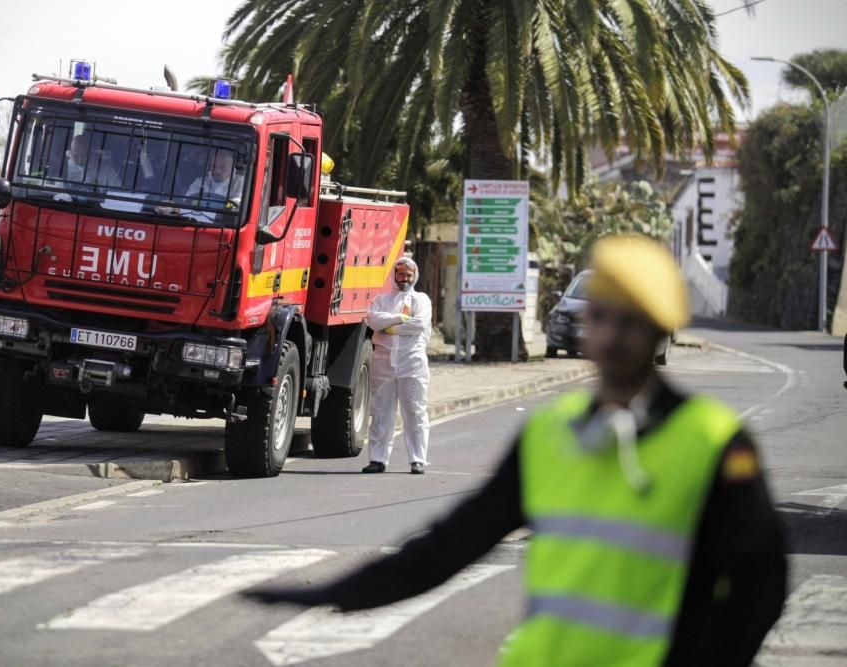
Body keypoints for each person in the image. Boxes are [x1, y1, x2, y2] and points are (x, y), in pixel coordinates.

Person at [245, 235, 787, 666]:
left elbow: (760, 584)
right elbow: (452, 545)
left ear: (659, 329)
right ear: (586, 328)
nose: (614, 334)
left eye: (632, 320)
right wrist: (337, 595)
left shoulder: (714, 442)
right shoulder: (551, 434)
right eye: (601, 317)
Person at [362, 256, 432, 475]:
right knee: (381, 412)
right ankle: (377, 459)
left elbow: (419, 324)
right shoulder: (382, 299)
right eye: (401, 274)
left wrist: (389, 326)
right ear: (395, 275)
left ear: (415, 276)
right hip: (383, 362)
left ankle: (418, 459)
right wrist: (401, 318)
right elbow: (373, 320)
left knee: (415, 411)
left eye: (408, 275)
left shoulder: (422, 300)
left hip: (412, 362)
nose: (404, 279)